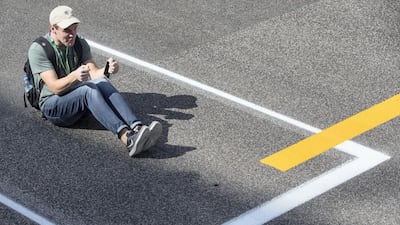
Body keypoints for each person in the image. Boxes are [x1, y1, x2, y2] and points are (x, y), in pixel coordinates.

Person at [28, 5, 162, 157]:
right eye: (67, 31)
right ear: (53, 29)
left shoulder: (78, 43)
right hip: (53, 105)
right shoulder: (39, 49)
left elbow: (95, 73)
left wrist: (107, 70)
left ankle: (137, 128)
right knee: (87, 90)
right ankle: (128, 139)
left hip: (74, 96)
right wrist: (74, 76)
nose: (72, 35)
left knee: (101, 83)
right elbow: (55, 87)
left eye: (74, 29)